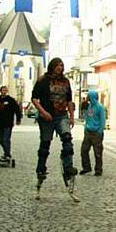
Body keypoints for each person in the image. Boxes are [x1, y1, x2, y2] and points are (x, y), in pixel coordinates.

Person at [31, 57, 78, 186]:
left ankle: (68, 167)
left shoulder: (65, 81)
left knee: (67, 140)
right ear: (52, 66)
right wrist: (43, 112)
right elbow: (34, 98)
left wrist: (72, 116)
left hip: (62, 115)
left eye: (62, 66)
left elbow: (69, 100)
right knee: (45, 144)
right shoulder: (43, 80)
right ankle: (41, 168)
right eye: (57, 65)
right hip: (47, 117)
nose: (60, 68)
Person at [0, 86, 22, 159]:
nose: (4, 91)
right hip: (0, 122)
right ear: (0, 91)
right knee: (1, 140)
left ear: (7, 91)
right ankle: (6, 152)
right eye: (3, 90)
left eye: (5, 90)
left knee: (6, 139)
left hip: (8, 122)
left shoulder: (11, 100)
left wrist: (18, 119)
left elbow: (17, 110)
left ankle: (7, 154)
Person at [80, 89, 106, 176]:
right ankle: (86, 167)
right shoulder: (89, 106)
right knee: (84, 150)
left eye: (88, 96)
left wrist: (100, 131)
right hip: (88, 131)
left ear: (92, 96)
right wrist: (85, 128)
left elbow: (103, 120)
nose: (87, 97)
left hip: (96, 132)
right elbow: (87, 117)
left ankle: (98, 170)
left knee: (97, 152)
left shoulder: (100, 107)